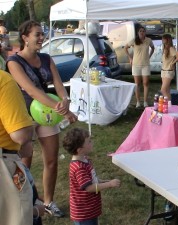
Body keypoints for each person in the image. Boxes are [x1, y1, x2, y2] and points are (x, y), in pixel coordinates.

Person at [6, 20, 78, 218]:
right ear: (25, 38)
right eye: (37, 34)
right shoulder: (13, 62)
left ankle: (48, 202)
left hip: (47, 114)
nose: (41, 37)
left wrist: (65, 100)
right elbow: (30, 89)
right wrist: (62, 109)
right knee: (23, 164)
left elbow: (59, 84)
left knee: (52, 160)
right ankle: (22, 202)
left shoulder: (46, 58)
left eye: (42, 34)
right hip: (23, 114)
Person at [62, 128, 121, 225]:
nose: (92, 142)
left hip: (89, 209)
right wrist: (109, 184)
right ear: (80, 150)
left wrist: (104, 181)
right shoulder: (79, 168)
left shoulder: (84, 160)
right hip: (84, 213)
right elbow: (89, 187)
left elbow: (91, 180)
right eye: (89, 142)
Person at [0, 69, 35, 225]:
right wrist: (29, 132)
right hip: (6, 165)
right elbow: (20, 135)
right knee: (17, 214)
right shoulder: (3, 80)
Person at [124, 25, 155, 108]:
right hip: (136, 64)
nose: (142, 32)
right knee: (137, 84)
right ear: (138, 33)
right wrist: (130, 58)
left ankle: (145, 101)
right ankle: (138, 101)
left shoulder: (148, 40)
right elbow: (125, 48)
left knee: (146, 83)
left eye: (143, 31)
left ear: (145, 32)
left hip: (145, 64)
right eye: (140, 31)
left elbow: (153, 48)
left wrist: (149, 56)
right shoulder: (134, 40)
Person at [160, 33, 178, 100]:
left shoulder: (171, 48)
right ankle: (169, 105)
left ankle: (168, 104)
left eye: (164, 38)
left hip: (169, 71)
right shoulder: (164, 48)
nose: (162, 40)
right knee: (167, 90)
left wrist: (173, 63)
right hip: (163, 70)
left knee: (163, 90)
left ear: (167, 39)